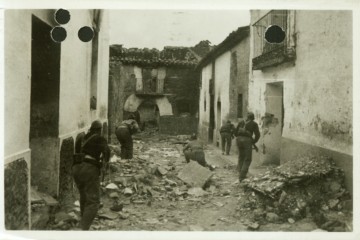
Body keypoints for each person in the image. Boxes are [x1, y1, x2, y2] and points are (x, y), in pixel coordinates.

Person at [72, 120, 110, 230]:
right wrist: (105, 165)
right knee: (94, 202)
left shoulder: (82, 137)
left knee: (84, 196)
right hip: (89, 169)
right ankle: (82, 229)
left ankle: (83, 221)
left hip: (76, 168)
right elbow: (107, 152)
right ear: (99, 130)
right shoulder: (99, 138)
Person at [235, 112, 260, 182]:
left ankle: (240, 173)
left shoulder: (241, 122)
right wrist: (254, 141)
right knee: (248, 158)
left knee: (241, 156)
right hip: (247, 140)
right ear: (253, 118)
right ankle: (242, 177)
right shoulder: (254, 124)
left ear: (247, 117)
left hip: (239, 139)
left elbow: (235, 132)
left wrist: (239, 137)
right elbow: (257, 134)